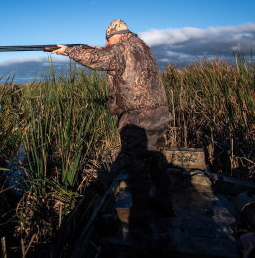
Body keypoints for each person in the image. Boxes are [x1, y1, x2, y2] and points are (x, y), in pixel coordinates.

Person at [52, 19, 173, 218]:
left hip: (139, 120)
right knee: (156, 163)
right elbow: (114, 59)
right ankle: (165, 204)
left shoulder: (121, 49)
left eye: (108, 40)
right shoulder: (141, 46)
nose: (107, 44)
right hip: (159, 116)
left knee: (138, 169)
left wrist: (68, 51)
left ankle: (140, 218)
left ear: (116, 36)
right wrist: (104, 51)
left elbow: (97, 59)